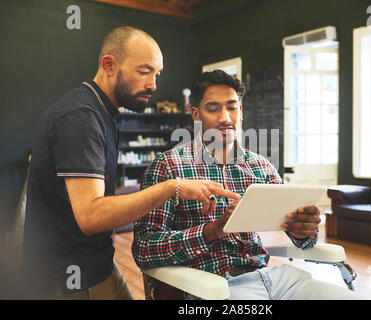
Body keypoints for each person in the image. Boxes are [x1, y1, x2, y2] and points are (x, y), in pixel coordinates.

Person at [21, 27, 240, 300]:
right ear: (109, 65)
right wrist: (173, 187)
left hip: (97, 262)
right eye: (144, 71)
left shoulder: (103, 113)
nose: (153, 85)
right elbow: (91, 216)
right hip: (69, 277)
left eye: (157, 74)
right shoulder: (81, 116)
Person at [132, 70, 360, 300]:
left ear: (240, 112)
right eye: (213, 108)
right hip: (216, 287)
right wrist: (212, 231)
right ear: (196, 114)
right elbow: (144, 249)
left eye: (232, 107)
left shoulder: (261, 167)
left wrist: (305, 229)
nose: (225, 118)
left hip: (276, 279)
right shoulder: (168, 167)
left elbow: (304, 237)